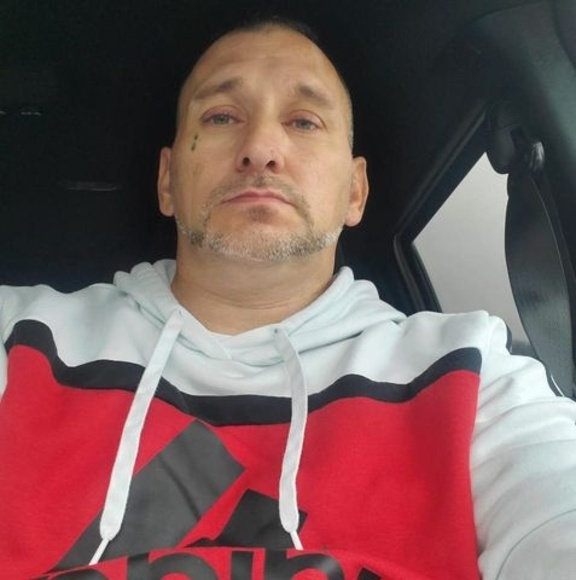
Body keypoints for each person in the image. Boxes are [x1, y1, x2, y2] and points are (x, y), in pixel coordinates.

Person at [1, 16, 576, 580]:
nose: (260, 149)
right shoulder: (19, 338)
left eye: (303, 121)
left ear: (355, 192)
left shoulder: (472, 371)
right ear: (167, 180)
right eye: (222, 116)